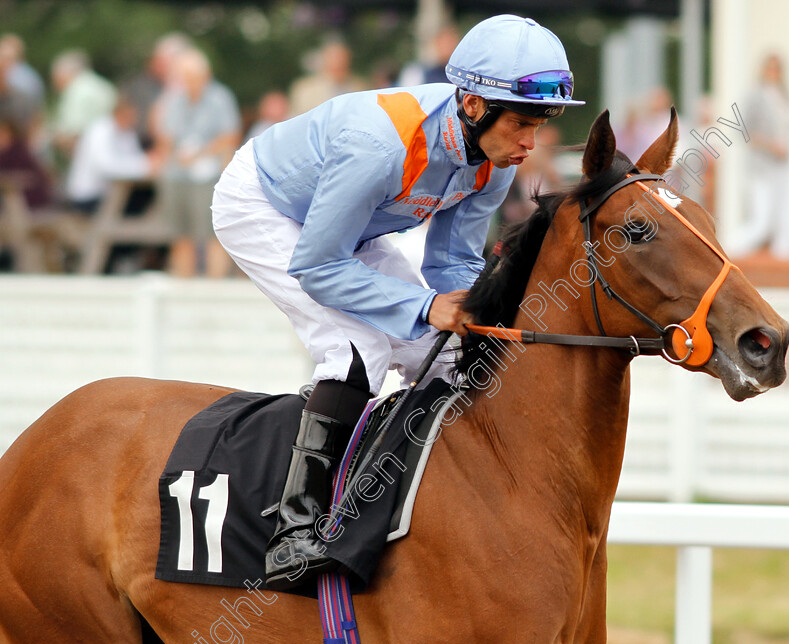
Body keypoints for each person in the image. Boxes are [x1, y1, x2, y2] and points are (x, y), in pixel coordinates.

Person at [212, 14, 584, 589]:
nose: (530, 143)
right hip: (263, 206)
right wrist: (424, 308)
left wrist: (470, 314)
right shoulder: (378, 144)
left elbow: (452, 267)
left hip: (349, 229)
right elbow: (317, 264)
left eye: (540, 125)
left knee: (447, 352)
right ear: (472, 105)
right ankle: (295, 528)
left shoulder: (492, 161)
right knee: (356, 348)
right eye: (520, 123)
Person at [157, 48, 241, 277]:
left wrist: (200, 153)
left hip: (209, 174)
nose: (188, 83)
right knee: (180, 235)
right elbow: (165, 135)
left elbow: (230, 135)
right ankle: (184, 283)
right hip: (177, 173)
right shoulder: (174, 100)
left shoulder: (220, 98)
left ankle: (215, 286)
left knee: (213, 234)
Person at [730, 54, 789, 259]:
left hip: (782, 165)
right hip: (762, 166)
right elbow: (744, 130)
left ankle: (784, 258)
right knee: (762, 221)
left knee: (784, 216)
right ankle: (729, 247)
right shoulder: (755, 96)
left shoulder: (786, 96)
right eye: (770, 68)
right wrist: (771, 146)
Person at [65, 96, 162, 214]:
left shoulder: (128, 133)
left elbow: (134, 158)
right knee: (138, 201)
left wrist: (147, 162)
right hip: (88, 196)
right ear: (120, 113)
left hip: (109, 193)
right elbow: (106, 167)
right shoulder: (100, 131)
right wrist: (145, 165)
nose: (134, 120)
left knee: (148, 195)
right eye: (131, 116)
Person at [50, 50, 117, 158]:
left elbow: (70, 130)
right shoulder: (105, 86)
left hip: (86, 151)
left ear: (63, 74)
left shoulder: (74, 90)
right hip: (111, 147)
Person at [288, 40, 366, 116]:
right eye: (334, 57)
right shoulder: (305, 89)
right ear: (325, 59)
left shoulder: (360, 87)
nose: (339, 61)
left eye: (342, 57)